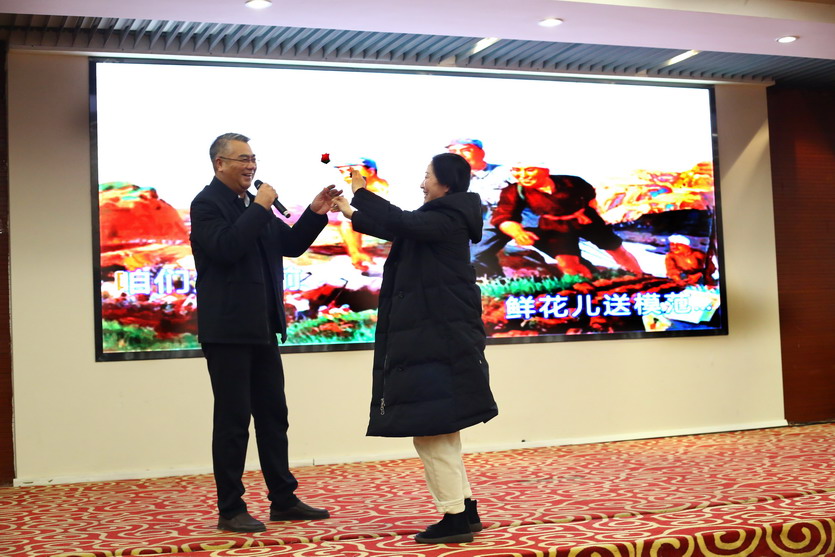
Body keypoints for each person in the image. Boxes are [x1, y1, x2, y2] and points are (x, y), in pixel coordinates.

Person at [332, 153, 499, 544]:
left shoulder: (447, 217)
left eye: (427, 176)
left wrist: (360, 193)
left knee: (430, 430)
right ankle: (465, 508)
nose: (422, 183)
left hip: (438, 341)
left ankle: (454, 518)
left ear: (445, 183)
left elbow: (402, 222)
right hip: (438, 339)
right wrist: (347, 207)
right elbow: (398, 227)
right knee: (442, 428)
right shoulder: (444, 217)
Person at [189, 132, 340, 533]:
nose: (251, 165)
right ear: (220, 164)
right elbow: (227, 247)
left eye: (253, 158)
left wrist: (315, 212)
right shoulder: (207, 204)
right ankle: (230, 509)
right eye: (243, 159)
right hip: (227, 331)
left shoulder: (252, 205)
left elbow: (288, 244)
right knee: (233, 420)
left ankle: (283, 500)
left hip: (262, 327)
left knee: (274, 416)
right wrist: (259, 206)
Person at [491, 162, 643, 279]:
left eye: (529, 170)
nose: (522, 175)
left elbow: (590, 198)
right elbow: (505, 216)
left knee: (616, 249)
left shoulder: (572, 181)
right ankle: (587, 288)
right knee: (567, 263)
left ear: (545, 170)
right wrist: (518, 233)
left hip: (586, 219)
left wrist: (591, 214)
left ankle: (637, 276)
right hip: (554, 226)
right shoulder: (513, 191)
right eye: (516, 170)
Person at [446, 139, 515, 278]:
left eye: (466, 150)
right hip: (482, 224)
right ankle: (496, 282)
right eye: (453, 152)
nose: (459, 155)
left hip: (509, 217)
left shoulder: (505, 172)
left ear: (481, 153)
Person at [334, 158, 390, 271]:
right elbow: (348, 223)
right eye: (341, 170)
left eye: (352, 169)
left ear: (371, 171)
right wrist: (355, 252)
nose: (346, 174)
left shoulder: (393, 189)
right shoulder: (352, 192)